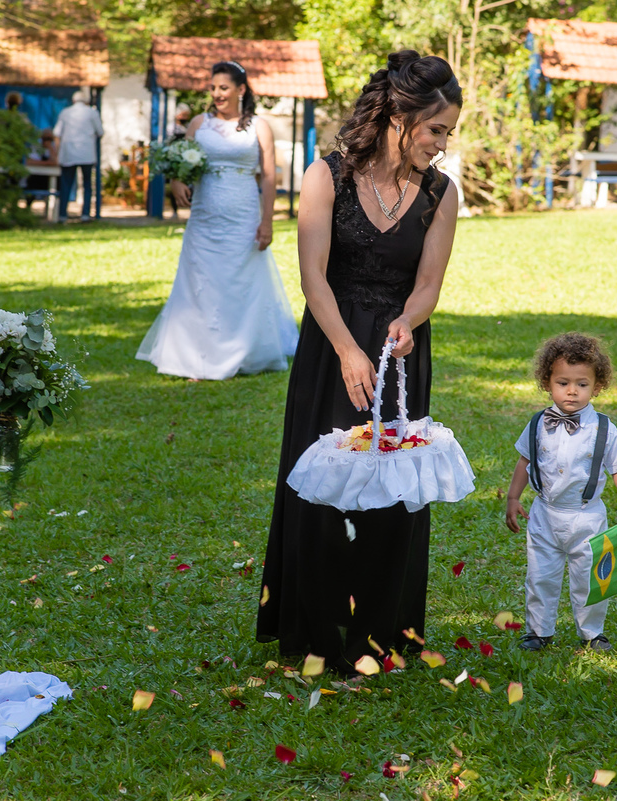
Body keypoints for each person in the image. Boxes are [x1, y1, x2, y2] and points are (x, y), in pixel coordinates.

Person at [256, 51, 462, 673]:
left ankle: (378, 636)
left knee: (392, 492)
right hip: (331, 344)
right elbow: (312, 278)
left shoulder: (440, 194)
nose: (442, 144)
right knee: (322, 488)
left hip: (399, 353)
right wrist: (348, 349)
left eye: (448, 132)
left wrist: (411, 321)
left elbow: (429, 284)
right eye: (435, 130)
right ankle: (317, 633)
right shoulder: (329, 175)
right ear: (399, 117)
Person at [135, 61, 298, 379]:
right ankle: (196, 355)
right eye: (213, 88)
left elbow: (267, 176)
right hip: (205, 215)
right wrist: (177, 181)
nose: (217, 94)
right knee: (200, 280)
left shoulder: (259, 126)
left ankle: (242, 350)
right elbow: (180, 161)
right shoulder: (199, 123)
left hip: (242, 213)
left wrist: (268, 222)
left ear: (240, 90)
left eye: (223, 88)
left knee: (240, 281)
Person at [504, 333, 617, 653]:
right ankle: (538, 631)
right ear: (547, 383)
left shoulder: (604, 428)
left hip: (587, 515)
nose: (572, 391)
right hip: (545, 513)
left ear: (597, 386)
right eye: (563, 382)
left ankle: (592, 632)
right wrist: (513, 498)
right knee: (540, 576)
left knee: (592, 578)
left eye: (582, 384)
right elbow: (525, 460)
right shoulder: (538, 422)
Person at [53, 90, 103, 222]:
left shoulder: (65, 112)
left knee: (66, 184)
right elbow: (100, 132)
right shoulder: (92, 113)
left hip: (68, 153)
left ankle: (62, 215)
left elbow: (57, 133)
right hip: (87, 153)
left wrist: (57, 153)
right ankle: (85, 214)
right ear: (85, 101)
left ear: (73, 101)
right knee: (87, 184)